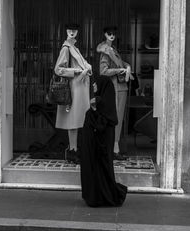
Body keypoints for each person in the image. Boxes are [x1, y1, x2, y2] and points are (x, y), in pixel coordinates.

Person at [80, 76, 128, 207]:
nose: (94, 86)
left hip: (101, 147)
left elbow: (102, 123)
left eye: (96, 84)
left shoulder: (103, 106)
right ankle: (97, 195)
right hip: (95, 148)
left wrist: (95, 110)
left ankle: (103, 195)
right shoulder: (97, 105)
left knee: (103, 166)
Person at [54, 23, 92, 163]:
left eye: (74, 30)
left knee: (77, 121)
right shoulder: (66, 48)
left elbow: (84, 64)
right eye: (69, 29)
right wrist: (75, 71)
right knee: (72, 120)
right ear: (65, 31)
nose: (72, 32)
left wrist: (87, 68)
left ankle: (74, 149)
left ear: (77, 32)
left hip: (79, 88)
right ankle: (72, 150)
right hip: (73, 88)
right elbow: (58, 69)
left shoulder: (74, 48)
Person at [96, 26, 134, 160]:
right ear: (105, 35)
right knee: (114, 118)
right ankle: (113, 149)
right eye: (109, 33)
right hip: (114, 88)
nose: (112, 35)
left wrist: (127, 66)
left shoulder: (113, 49)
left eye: (113, 34)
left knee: (118, 117)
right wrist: (119, 70)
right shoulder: (105, 51)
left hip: (120, 87)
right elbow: (103, 71)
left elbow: (121, 63)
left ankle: (114, 148)